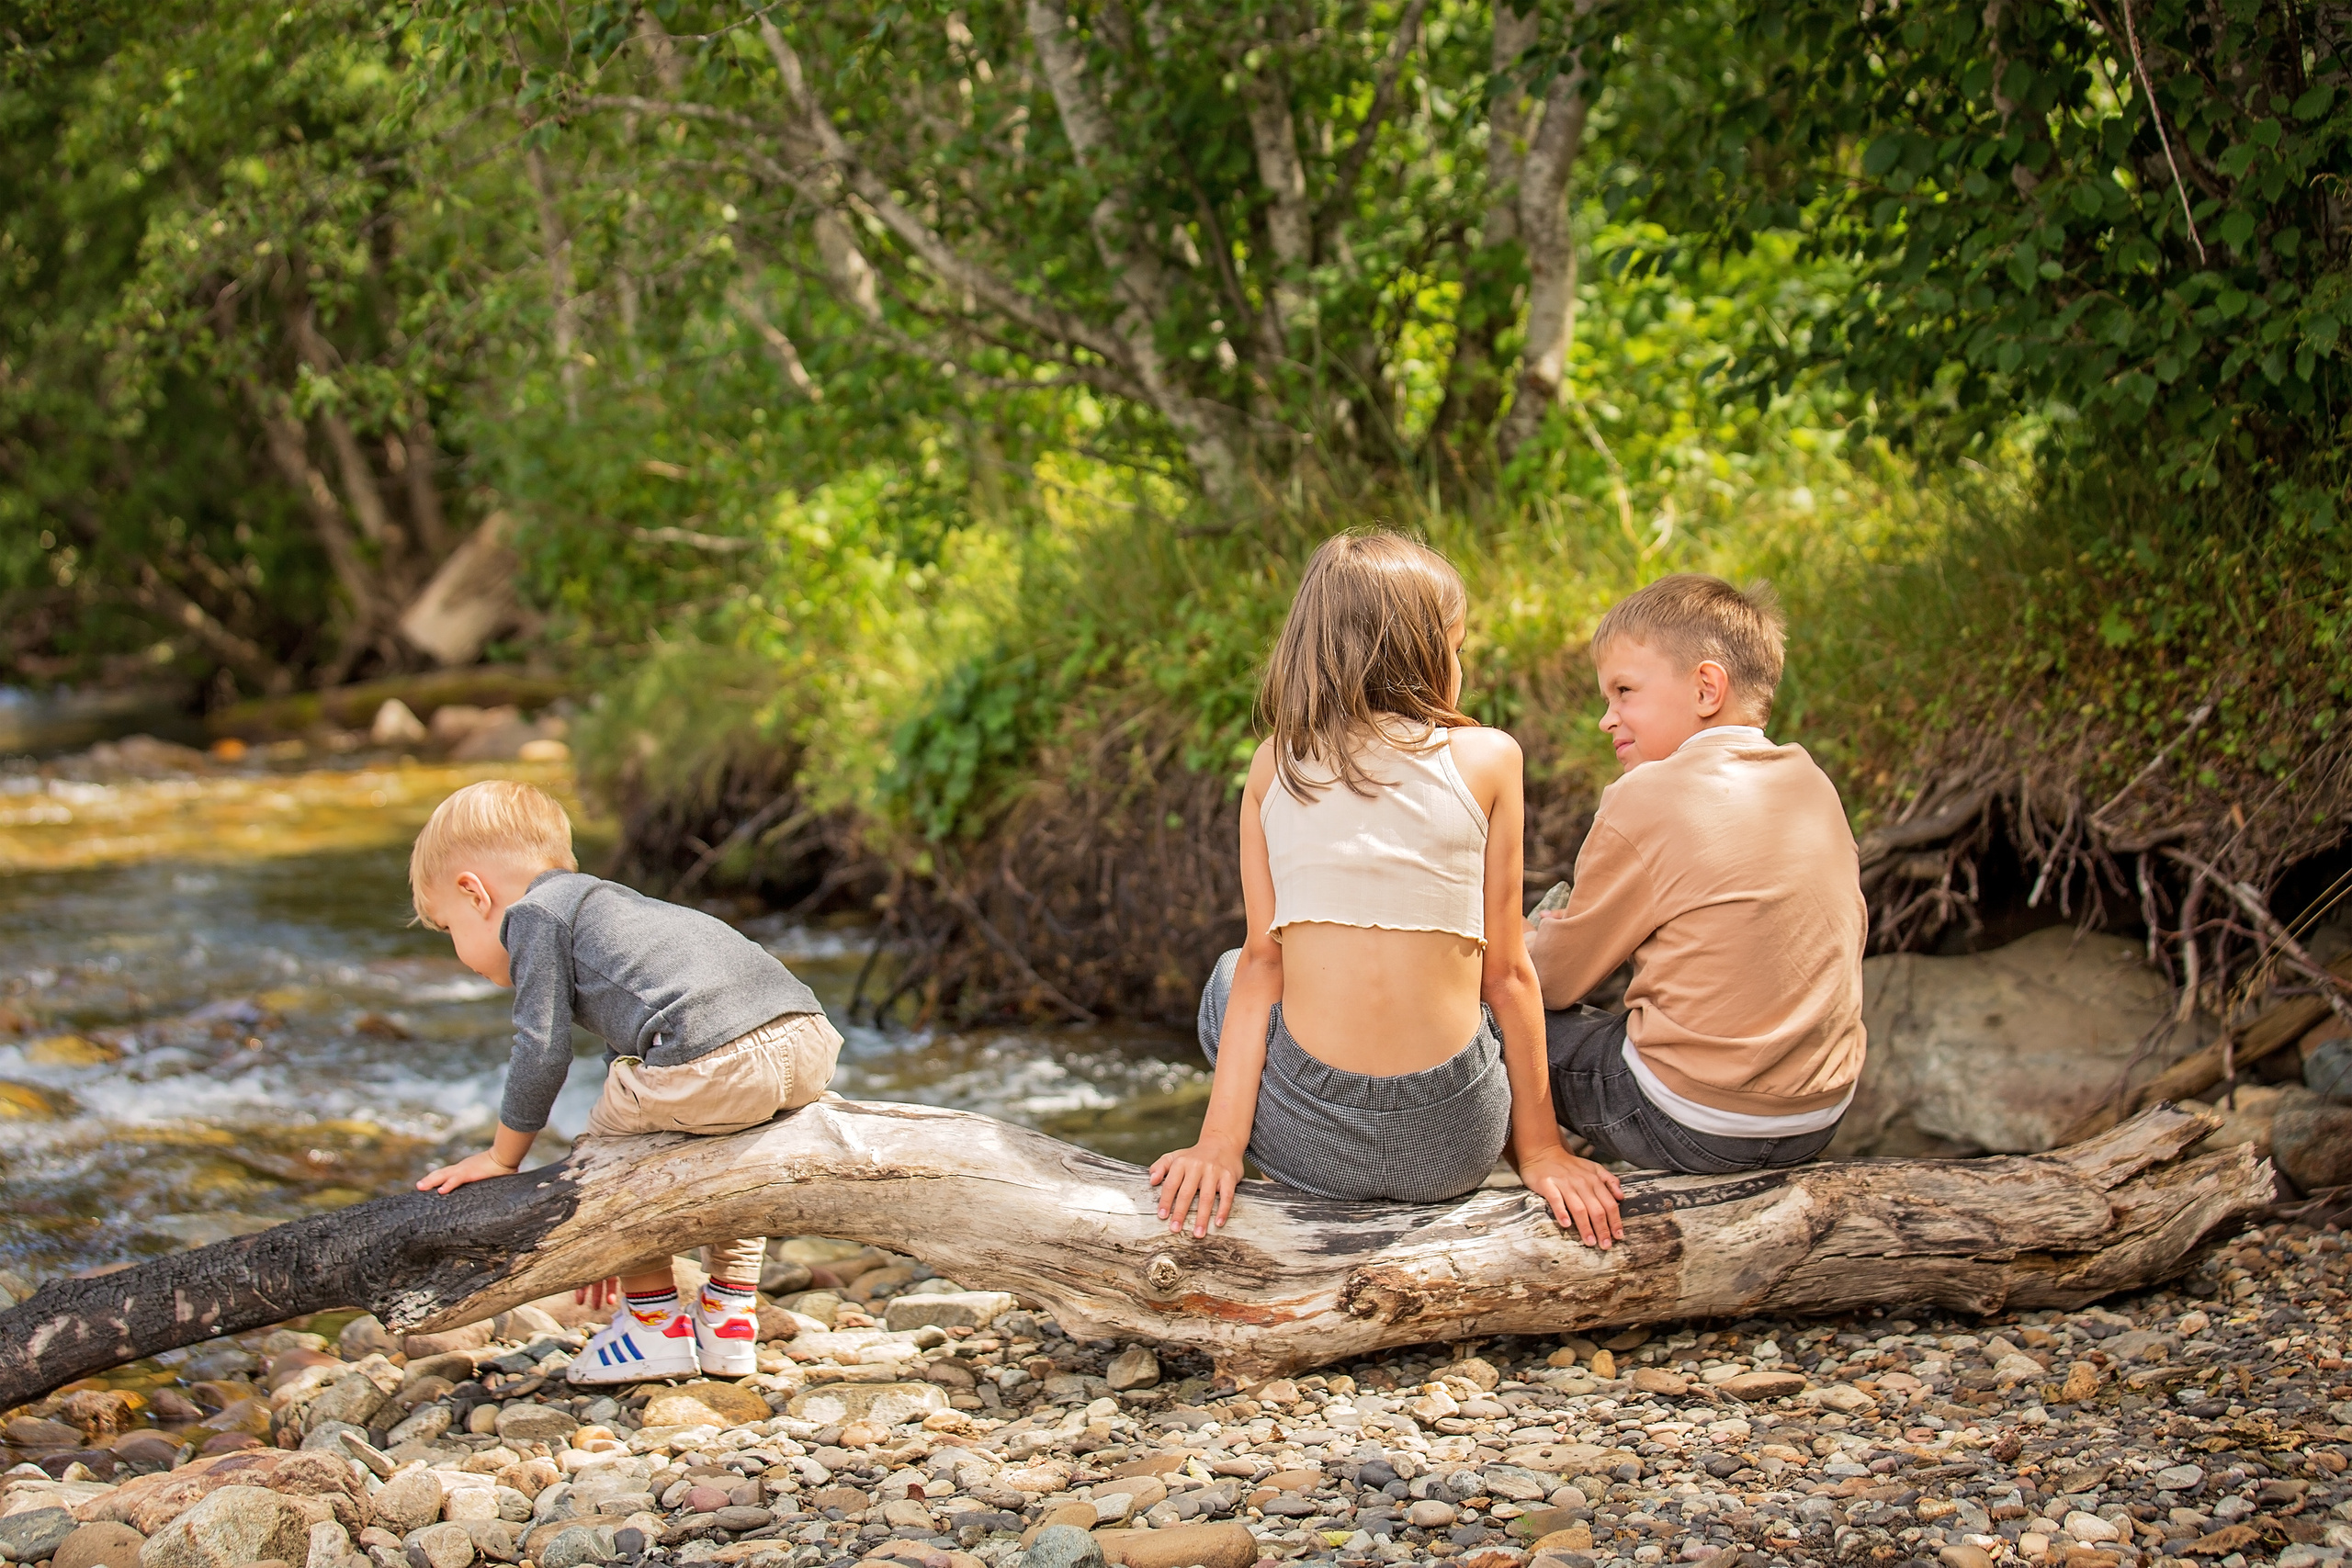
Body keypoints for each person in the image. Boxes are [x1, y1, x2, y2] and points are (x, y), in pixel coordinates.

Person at [1151, 533, 1627, 1248]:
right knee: (1482, 966)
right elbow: (1506, 975)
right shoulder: (1491, 758)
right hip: (1453, 1147)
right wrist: (1543, 1151)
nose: (1461, 665)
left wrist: (1217, 1144)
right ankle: (1514, 1142)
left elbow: (1263, 969)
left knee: (1232, 971)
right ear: (1424, 651)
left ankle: (1246, 1149)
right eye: (1457, 647)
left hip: (1313, 1153)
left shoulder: (1272, 766)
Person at [407, 779, 843, 1383]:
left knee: (603, 1152)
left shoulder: (532, 916)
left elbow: (540, 1047)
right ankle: (729, 1314)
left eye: (447, 927)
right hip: (808, 1038)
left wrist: (509, 1161)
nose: (458, 948)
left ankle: (653, 1323)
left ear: (474, 893)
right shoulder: (609, 907)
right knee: (732, 1148)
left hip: (717, 1054)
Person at [1528, 573, 1866, 1173]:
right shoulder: (1812, 784)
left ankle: (1525, 1160)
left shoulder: (1646, 794)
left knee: (1499, 1009)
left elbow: (1554, 983)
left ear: (1707, 687)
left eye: (1624, 691)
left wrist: (1529, 940)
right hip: (1819, 1113)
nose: (1608, 718)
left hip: (1689, 1122)